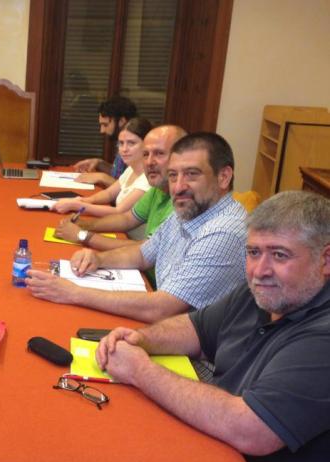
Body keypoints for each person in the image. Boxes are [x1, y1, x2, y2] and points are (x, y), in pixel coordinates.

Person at [95, 191, 330, 462]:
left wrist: (139, 370)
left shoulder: (322, 335)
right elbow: (195, 329)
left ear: (325, 259)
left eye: (280, 255)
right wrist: (141, 338)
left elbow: (250, 429)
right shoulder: (264, 293)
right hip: (214, 451)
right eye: (254, 252)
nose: (260, 271)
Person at [27, 132, 246, 323]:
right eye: (173, 175)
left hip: (196, 353)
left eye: (192, 174)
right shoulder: (192, 210)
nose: (178, 187)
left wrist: (74, 293)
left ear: (223, 177)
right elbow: (143, 254)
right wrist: (98, 259)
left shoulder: (223, 231)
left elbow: (161, 309)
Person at [55, 125, 186, 250]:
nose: (149, 162)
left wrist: (82, 235)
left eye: (159, 153)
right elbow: (127, 219)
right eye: (146, 154)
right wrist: (83, 224)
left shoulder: (184, 202)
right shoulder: (157, 189)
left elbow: (147, 249)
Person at [53, 117, 152, 217]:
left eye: (131, 143)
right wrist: (84, 200)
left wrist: (76, 205)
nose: (124, 149)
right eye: (121, 143)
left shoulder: (148, 178)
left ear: (147, 145)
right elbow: (109, 194)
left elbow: (119, 212)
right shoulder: (131, 169)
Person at [72, 96, 137, 188]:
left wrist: (102, 177)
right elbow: (118, 175)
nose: (102, 130)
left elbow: (129, 188)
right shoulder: (121, 141)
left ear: (121, 121)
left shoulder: (138, 147)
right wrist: (99, 163)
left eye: (105, 125)